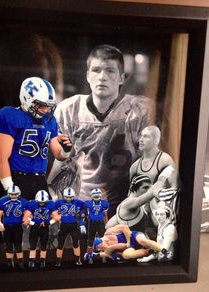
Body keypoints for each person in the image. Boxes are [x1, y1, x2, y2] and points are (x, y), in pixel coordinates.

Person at [51, 44, 153, 217]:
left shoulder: (138, 110)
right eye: (96, 70)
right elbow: (60, 166)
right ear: (88, 75)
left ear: (122, 78)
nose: (102, 77)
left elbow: (150, 167)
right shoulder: (69, 110)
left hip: (125, 208)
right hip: (80, 205)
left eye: (110, 71)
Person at [0, 76, 72, 200]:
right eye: (41, 105)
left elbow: (59, 154)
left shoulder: (49, 121)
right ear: (27, 99)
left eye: (48, 106)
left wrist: (66, 150)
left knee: (46, 217)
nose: (46, 110)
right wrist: (9, 187)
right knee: (20, 218)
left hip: (40, 179)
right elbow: (1, 158)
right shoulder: (11, 116)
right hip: (18, 177)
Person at [129, 125, 179, 236]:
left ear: (156, 140)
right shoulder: (135, 166)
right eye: (141, 136)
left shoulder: (165, 160)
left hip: (160, 209)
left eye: (146, 136)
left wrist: (159, 202)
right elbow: (130, 195)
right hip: (142, 211)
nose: (141, 140)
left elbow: (175, 190)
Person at [22, 190, 58, 268]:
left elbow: (57, 217)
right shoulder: (32, 203)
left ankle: (42, 261)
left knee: (43, 245)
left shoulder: (51, 204)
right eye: (40, 202)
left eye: (43, 202)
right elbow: (25, 218)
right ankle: (31, 261)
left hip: (45, 228)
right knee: (33, 245)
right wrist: (33, 223)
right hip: (35, 227)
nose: (41, 203)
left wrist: (48, 222)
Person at [92, 224, 165, 262]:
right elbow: (123, 246)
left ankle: (163, 249)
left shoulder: (109, 232)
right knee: (126, 255)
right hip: (129, 247)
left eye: (98, 247)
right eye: (98, 249)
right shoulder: (107, 249)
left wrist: (128, 241)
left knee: (142, 241)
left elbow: (124, 227)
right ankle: (150, 252)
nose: (99, 249)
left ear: (100, 242)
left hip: (133, 236)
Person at [0, 185, 28, 269]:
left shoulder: (23, 201)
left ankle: (20, 263)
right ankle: (9, 263)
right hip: (7, 226)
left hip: (17, 226)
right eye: (11, 194)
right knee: (8, 245)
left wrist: (27, 220)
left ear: (19, 193)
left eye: (15, 194)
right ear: (8, 193)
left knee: (18, 245)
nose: (13, 196)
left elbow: (27, 214)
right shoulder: (2, 200)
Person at [54, 187, 85, 267]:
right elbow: (53, 211)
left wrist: (82, 216)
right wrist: (56, 215)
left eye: (70, 197)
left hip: (74, 225)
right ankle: (58, 261)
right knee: (60, 244)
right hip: (63, 225)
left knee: (75, 243)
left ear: (73, 196)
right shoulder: (58, 203)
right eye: (67, 197)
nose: (68, 198)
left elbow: (83, 210)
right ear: (64, 196)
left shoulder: (78, 202)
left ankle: (78, 260)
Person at [83, 188, 109, 263]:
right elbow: (86, 215)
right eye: (95, 195)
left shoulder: (104, 203)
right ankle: (90, 257)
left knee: (102, 240)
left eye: (98, 195)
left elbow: (105, 215)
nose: (96, 196)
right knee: (90, 241)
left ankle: (103, 256)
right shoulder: (88, 203)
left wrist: (107, 224)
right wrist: (86, 223)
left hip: (100, 222)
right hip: (92, 223)